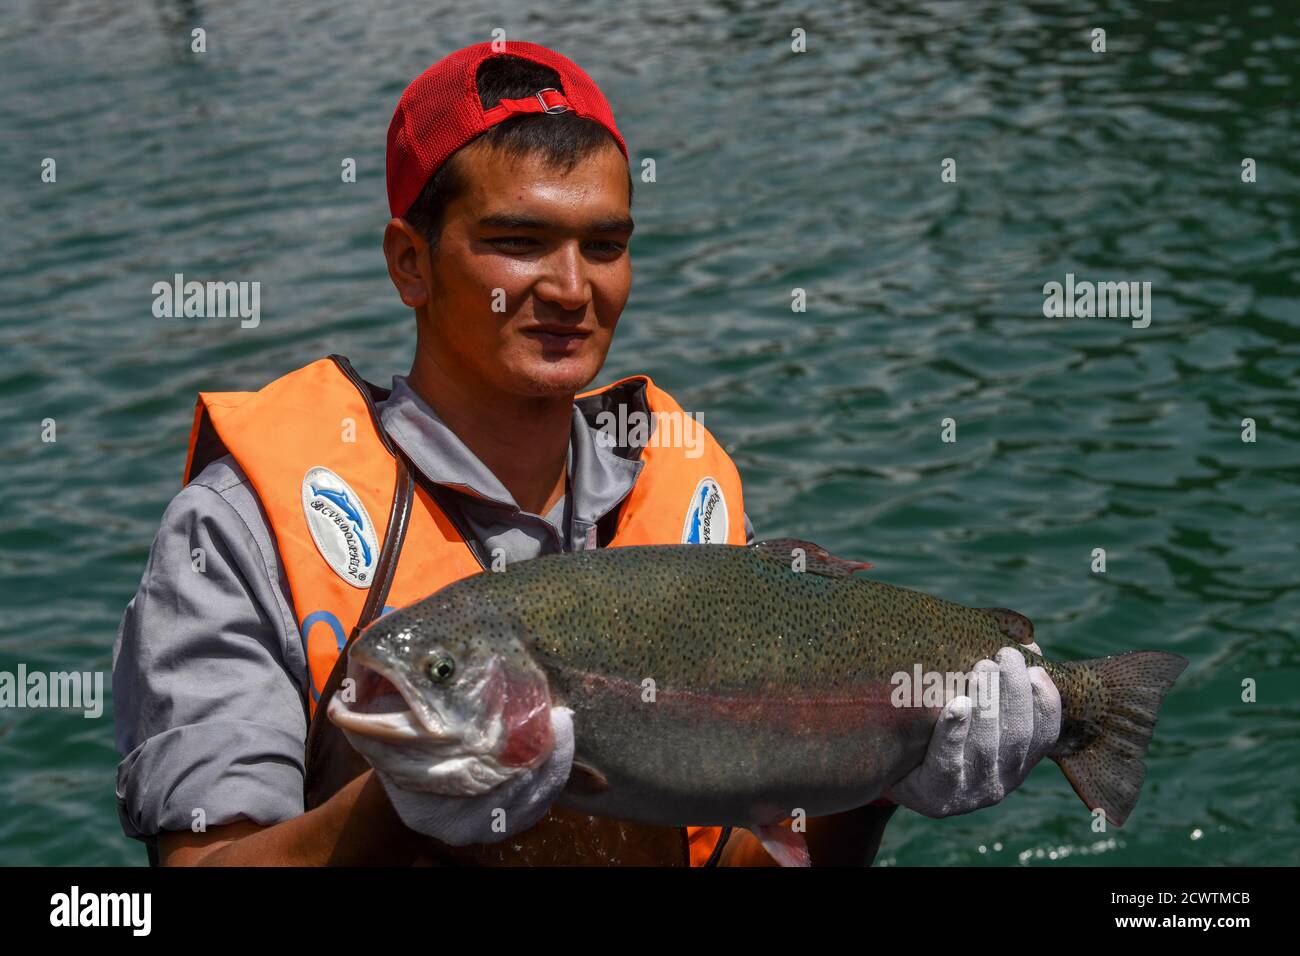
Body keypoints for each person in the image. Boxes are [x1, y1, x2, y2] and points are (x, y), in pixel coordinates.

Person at [113, 40, 1060, 868]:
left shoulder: (688, 489)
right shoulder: (239, 528)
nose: (571, 288)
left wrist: (880, 784)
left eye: (604, 245)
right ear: (410, 261)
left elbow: (752, 854)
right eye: (518, 242)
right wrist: (407, 809)